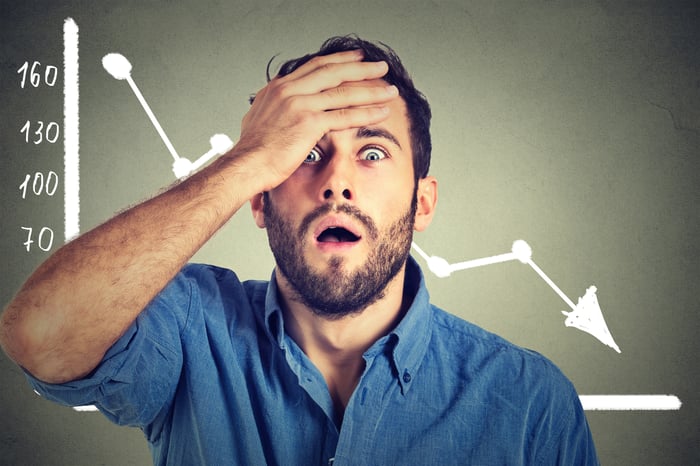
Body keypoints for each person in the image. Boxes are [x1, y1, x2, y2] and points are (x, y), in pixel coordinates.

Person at [0, 36, 599, 465]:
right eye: (308, 153)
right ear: (259, 201)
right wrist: (245, 162)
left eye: (372, 153)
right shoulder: (187, 327)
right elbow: (40, 334)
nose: (337, 182)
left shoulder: (530, 403)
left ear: (422, 203)